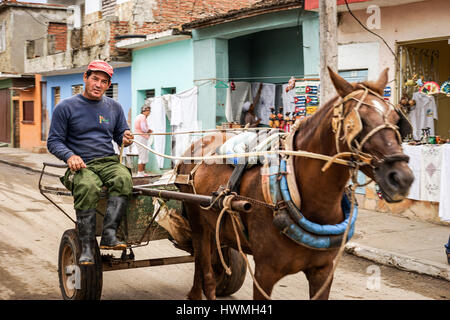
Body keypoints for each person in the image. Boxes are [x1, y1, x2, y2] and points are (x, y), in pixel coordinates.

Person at [47, 60, 134, 265]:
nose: (98, 84)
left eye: (104, 82)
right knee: (88, 185)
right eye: (95, 79)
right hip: (80, 165)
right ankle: (86, 246)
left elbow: (121, 135)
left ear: (108, 85)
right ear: (85, 78)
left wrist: (126, 138)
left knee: (123, 177)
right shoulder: (65, 107)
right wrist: (70, 156)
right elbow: (53, 141)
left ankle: (109, 236)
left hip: (108, 162)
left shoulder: (114, 107)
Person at [133, 105, 152, 177]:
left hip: (139, 137)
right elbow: (144, 128)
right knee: (142, 154)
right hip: (141, 137)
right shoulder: (142, 117)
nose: (149, 112)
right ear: (144, 111)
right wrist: (149, 131)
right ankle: (140, 173)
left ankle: (142, 172)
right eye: (148, 111)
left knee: (144, 154)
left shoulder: (139, 117)